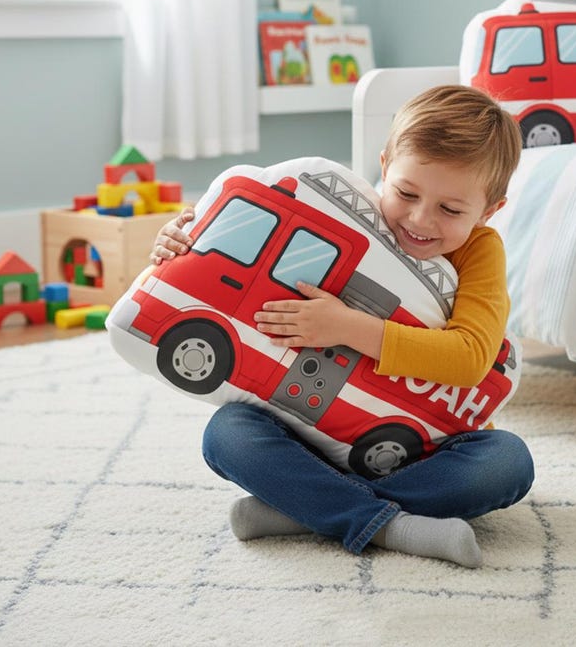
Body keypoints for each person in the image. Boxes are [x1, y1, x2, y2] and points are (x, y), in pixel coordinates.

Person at [151, 85, 534, 568]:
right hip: (308, 433)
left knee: (507, 462)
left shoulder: (480, 251)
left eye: (451, 210)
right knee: (227, 432)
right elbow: (245, 259)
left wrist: (347, 327)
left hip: (420, 449)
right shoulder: (347, 214)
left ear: (490, 210)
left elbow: (469, 360)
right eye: (406, 192)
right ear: (384, 167)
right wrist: (180, 242)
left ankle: (307, 509)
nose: (419, 219)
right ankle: (389, 524)